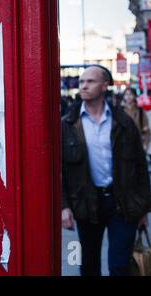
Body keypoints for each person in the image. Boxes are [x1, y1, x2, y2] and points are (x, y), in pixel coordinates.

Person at [61, 65, 151, 276]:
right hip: (87, 203)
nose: (83, 86)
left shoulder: (124, 123)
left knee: (119, 266)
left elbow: (140, 167)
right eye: (82, 82)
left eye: (90, 81)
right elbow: (60, 171)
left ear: (104, 86)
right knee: (89, 265)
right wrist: (64, 206)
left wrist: (143, 209)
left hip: (121, 203)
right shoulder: (68, 125)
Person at [121, 87, 150, 152]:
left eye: (130, 94)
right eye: (126, 94)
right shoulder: (120, 111)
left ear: (134, 96)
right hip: (123, 146)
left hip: (138, 145)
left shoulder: (140, 111)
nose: (128, 97)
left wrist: (145, 145)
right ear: (123, 96)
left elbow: (146, 130)